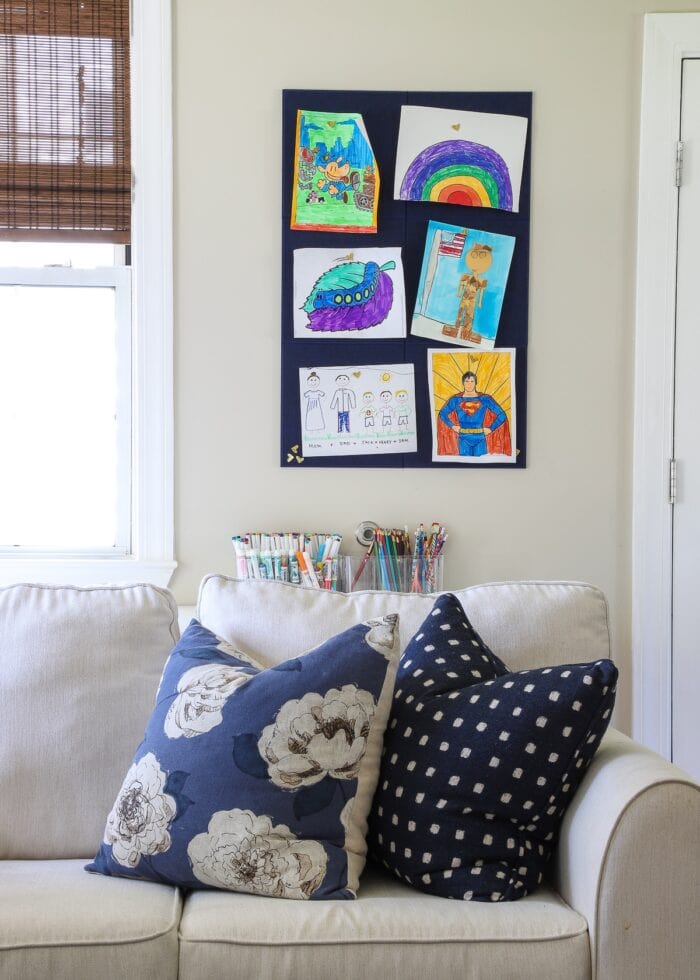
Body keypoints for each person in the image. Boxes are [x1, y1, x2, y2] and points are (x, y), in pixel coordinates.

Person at [437, 370, 509, 457]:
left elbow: (502, 415)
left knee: (481, 467)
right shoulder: (455, 400)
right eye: (467, 381)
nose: (469, 384)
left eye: (472, 381)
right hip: (463, 439)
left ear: (476, 383)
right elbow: (442, 414)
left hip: (480, 439)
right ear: (463, 383)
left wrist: (491, 428)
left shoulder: (485, 399)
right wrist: (452, 426)